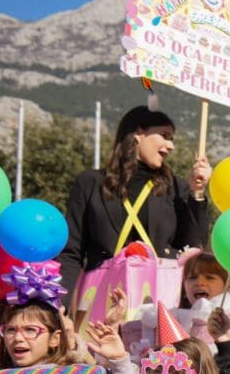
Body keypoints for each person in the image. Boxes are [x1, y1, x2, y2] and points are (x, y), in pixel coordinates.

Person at [59, 106, 210, 295]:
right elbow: (70, 251)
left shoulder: (176, 188)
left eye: (171, 138)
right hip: (100, 298)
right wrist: (59, 306)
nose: (171, 146)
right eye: (164, 135)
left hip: (157, 301)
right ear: (138, 133)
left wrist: (198, 192)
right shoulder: (90, 183)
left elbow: (194, 247)